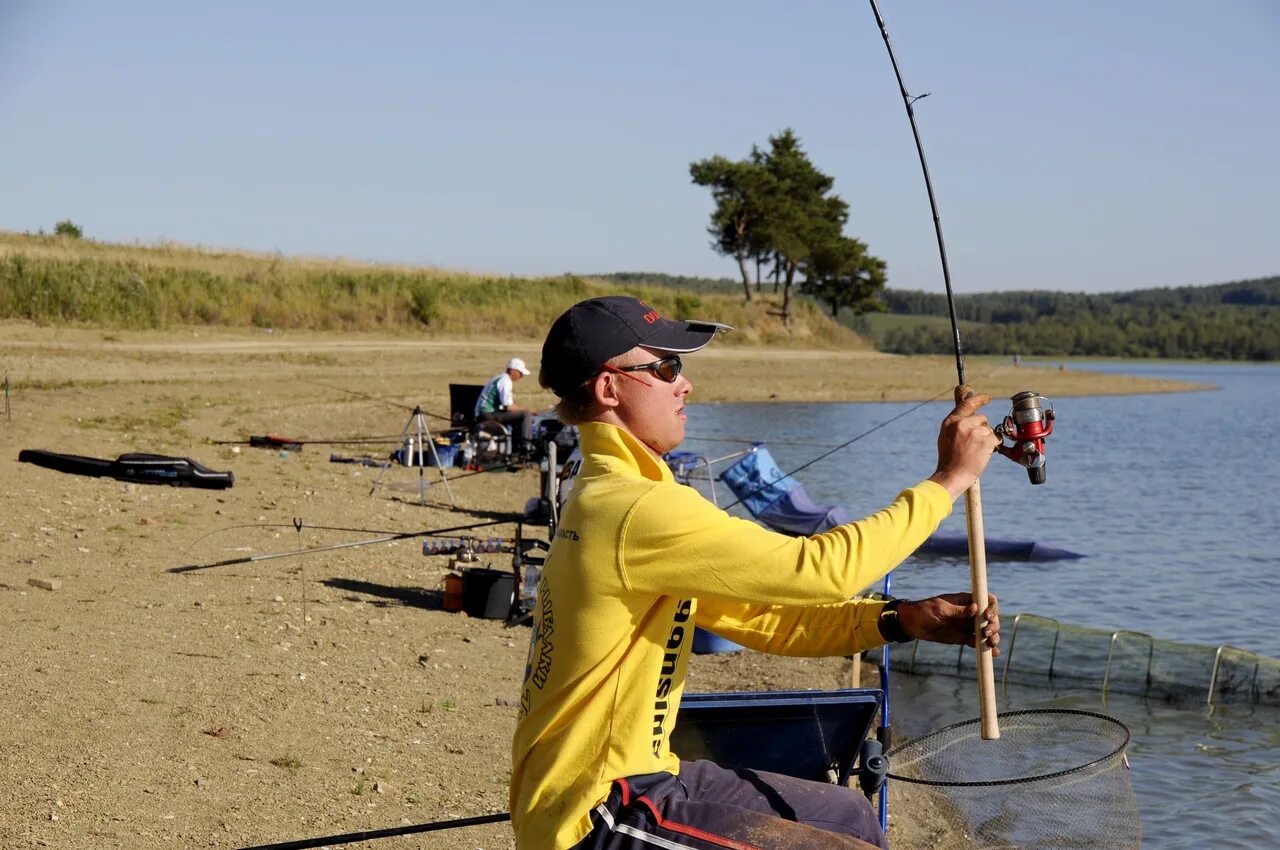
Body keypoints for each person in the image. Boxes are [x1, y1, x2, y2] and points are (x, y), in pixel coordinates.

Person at [511, 295, 1003, 850]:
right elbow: (821, 570)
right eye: (666, 367)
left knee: (849, 816)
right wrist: (948, 480)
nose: (685, 384)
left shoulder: (626, 496)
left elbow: (767, 620)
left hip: (641, 774)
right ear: (609, 388)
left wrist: (900, 619)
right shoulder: (632, 508)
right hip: (588, 812)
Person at [475, 357, 539, 454]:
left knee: (520, 415)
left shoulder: (499, 377)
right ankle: (526, 447)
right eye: (520, 373)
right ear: (513, 371)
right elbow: (508, 406)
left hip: (485, 412)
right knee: (525, 415)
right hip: (487, 414)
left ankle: (516, 449)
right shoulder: (505, 381)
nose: (521, 376)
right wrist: (528, 410)